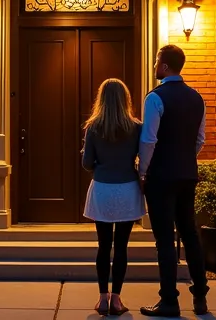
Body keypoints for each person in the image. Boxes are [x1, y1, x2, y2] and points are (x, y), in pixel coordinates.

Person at [138, 44, 208, 317]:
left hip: (161, 177)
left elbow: (148, 139)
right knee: (190, 234)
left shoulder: (155, 98)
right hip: (187, 175)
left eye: (156, 61)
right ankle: (200, 296)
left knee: (165, 239)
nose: (155, 65)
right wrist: (184, 158)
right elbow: (200, 139)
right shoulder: (197, 98)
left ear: (164, 66)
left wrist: (143, 171)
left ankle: (169, 300)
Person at [81, 78, 145, 316]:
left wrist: (97, 160)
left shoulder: (94, 127)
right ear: (124, 99)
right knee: (121, 247)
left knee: (103, 245)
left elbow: (87, 163)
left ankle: (102, 299)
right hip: (127, 187)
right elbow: (144, 156)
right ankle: (117, 298)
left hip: (103, 189)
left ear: (101, 99)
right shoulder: (136, 127)